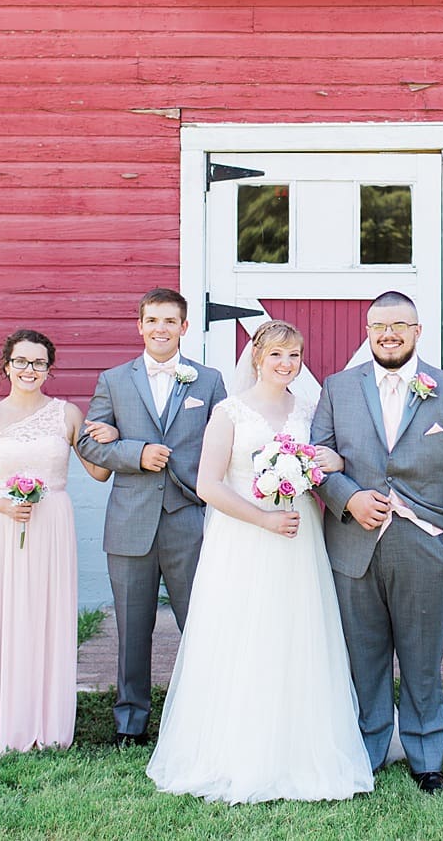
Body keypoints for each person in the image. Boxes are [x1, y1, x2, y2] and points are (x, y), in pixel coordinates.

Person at [147, 321, 372, 803]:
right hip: (245, 540)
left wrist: (324, 461)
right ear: (256, 356)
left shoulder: (310, 409)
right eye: (277, 356)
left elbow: (328, 458)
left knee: (297, 632)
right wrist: (262, 519)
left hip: (298, 540)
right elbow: (208, 485)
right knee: (246, 635)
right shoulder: (229, 412)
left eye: (294, 356)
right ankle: (236, 751)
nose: (286, 365)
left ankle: (300, 747)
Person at [311, 291, 443, 794]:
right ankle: (368, 748)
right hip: (354, 543)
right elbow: (318, 456)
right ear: (368, 331)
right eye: (378, 326)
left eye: (398, 325)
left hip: (427, 548)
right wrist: (348, 499)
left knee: (421, 658)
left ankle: (426, 753)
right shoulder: (338, 388)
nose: (388, 334)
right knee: (364, 657)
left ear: (416, 331)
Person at [74, 288, 227, 746]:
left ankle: (206, 715)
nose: (160, 329)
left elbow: (223, 442)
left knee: (200, 622)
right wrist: (135, 451)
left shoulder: (209, 381)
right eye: (152, 320)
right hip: (130, 520)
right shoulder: (115, 380)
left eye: (170, 321)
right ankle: (130, 722)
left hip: (188, 519)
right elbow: (88, 442)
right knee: (131, 627)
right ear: (139, 326)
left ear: (184, 327)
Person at [0, 330, 112, 757]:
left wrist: (105, 439)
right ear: (6, 365)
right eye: (22, 361)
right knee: (8, 614)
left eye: (39, 363)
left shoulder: (67, 414)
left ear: (49, 369)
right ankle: (6, 720)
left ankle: (49, 724)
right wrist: (4, 506)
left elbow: (98, 473)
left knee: (48, 615)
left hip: (52, 525)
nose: (30, 370)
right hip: (4, 527)